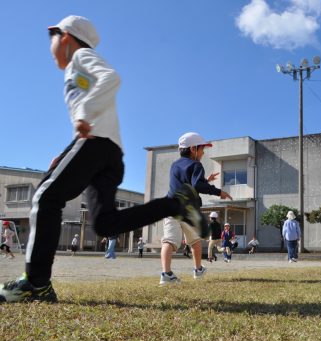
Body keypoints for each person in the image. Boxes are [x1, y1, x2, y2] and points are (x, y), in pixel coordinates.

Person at [0, 15, 207, 303]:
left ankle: (36, 283)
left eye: (53, 37)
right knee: (105, 225)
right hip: (108, 152)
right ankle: (174, 204)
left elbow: (112, 78)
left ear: (66, 38)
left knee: (45, 197)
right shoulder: (75, 71)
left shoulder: (81, 56)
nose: (51, 45)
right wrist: (65, 152)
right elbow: (93, 112)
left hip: (97, 145)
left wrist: (84, 113)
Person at [159, 132, 232, 285]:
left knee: (169, 241)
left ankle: (166, 274)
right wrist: (219, 192)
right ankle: (198, 270)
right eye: (202, 149)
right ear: (193, 149)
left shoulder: (174, 165)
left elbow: (188, 182)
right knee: (195, 241)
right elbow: (197, 185)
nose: (203, 153)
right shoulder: (196, 165)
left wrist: (205, 180)